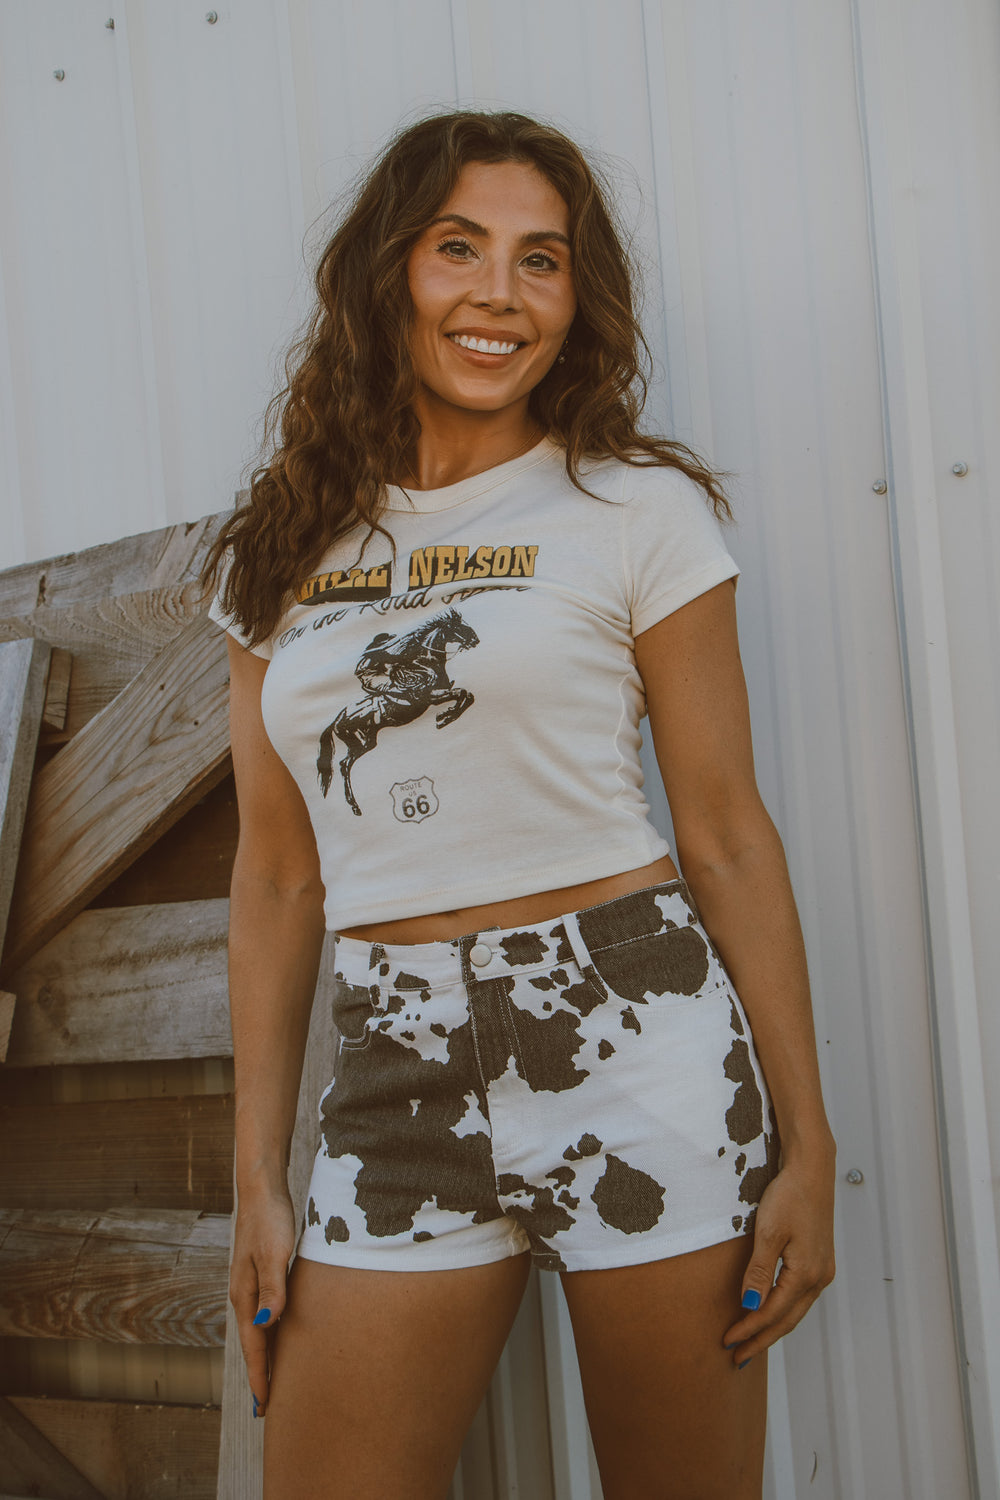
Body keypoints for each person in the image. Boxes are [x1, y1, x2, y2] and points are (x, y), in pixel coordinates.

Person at [205, 109, 836, 1500]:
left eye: (540, 260)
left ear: (576, 298)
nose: (499, 293)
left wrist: (810, 1142)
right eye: (458, 249)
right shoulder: (280, 545)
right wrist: (260, 1177)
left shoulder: (634, 510)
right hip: (390, 1059)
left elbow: (725, 831)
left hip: (633, 1032)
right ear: (387, 276)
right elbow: (275, 878)